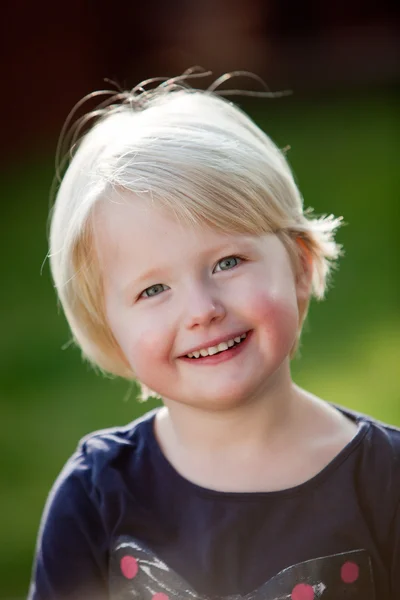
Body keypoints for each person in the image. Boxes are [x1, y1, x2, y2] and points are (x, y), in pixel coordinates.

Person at [29, 71, 400, 600]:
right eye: (153, 290)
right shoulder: (96, 496)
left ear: (299, 264)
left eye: (228, 261)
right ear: (108, 329)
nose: (201, 310)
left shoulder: (386, 483)